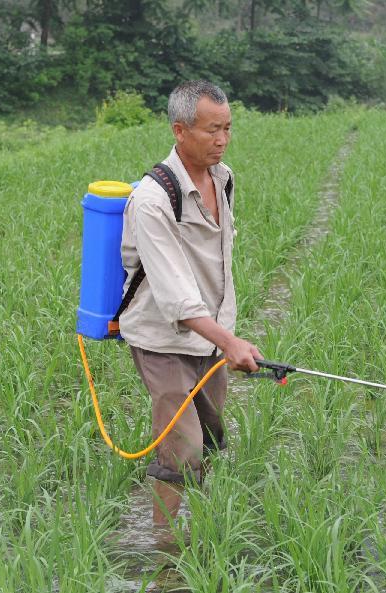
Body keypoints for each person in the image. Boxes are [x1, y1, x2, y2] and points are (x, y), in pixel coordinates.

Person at [119, 80, 261, 526]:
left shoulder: (224, 177)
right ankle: (165, 553)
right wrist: (232, 341)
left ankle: (202, 527)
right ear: (180, 131)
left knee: (213, 437)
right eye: (211, 130)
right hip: (163, 340)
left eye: (228, 128)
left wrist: (225, 339)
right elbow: (176, 299)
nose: (222, 140)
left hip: (210, 339)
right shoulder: (151, 200)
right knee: (182, 448)